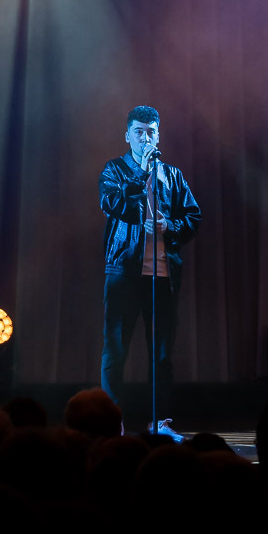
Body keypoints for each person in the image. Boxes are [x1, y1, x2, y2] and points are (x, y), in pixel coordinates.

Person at [99, 105, 202, 438]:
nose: (145, 138)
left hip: (162, 274)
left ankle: (160, 421)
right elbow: (112, 204)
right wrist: (141, 173)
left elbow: (193, 217)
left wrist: (168, 226)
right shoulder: (115, 170)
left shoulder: (172, 175)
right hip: (123, 272)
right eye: (139, 132)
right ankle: (112, 421)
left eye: (151, 132)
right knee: (116, 350)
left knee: (161, 353)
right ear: (127, 136)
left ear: (159, 136)